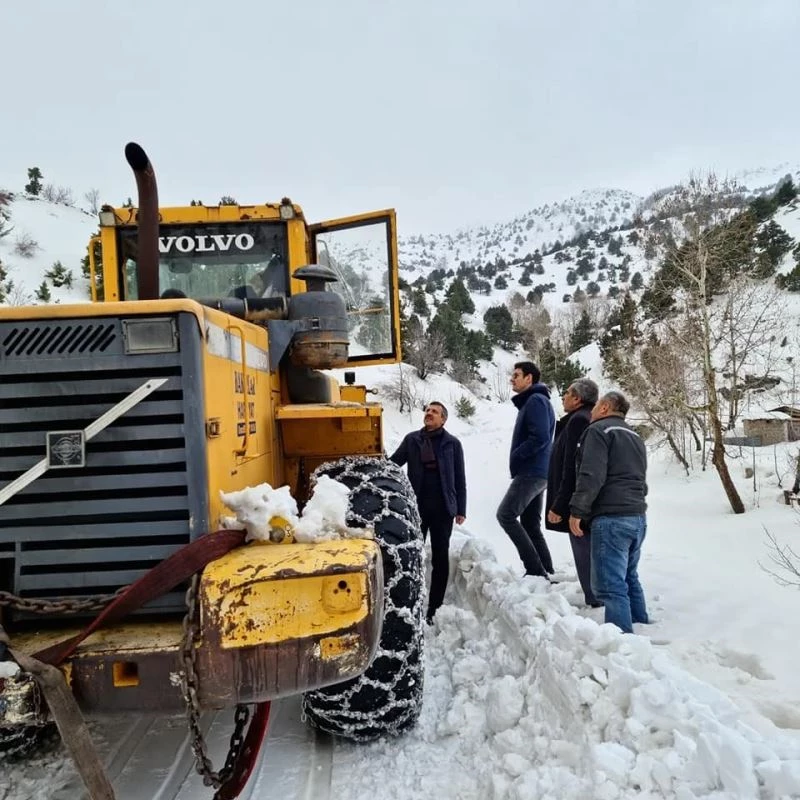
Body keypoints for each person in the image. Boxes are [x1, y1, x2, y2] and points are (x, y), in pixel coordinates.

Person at [568, 391, 649, 634]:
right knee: (628, 577)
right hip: (637, 516)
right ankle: (642, 629)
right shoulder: (635, 436)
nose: (591, 412)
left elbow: (591, 474)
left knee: (610, 585)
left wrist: (577, 510)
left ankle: (621, 644)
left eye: (595, 407)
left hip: (611, 517)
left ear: (604, 407)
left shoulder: (598, 431)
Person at [390, 401, 467, 624]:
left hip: (443, 509)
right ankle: (410, 602)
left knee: (441, 558)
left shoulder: (452, 444)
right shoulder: (413, 439)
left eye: (435, 412)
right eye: (427, 411)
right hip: (417, 507)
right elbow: (395, 464)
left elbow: (459, 478)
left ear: (443, 419)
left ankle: (435, 607)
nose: (429, 414)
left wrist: (461, 508)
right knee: (413, 555)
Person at [545, 378, 602, 607]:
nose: (564, 397)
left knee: (584, 549)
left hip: (577, 502)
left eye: (567, 393)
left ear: (577, 399)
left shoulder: (579, 421)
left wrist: (560, 504)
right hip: (581, 498)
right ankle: (596, 595)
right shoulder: (580, 419)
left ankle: (595, 599)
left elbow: (572, 466)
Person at [496, 361, 555, 578]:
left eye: (516, 375)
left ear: (529, 378)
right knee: (530, 523)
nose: (512, 379)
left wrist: (518, 454)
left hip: (532, 471)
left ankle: (535, 570)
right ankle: (546, 570)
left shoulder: (536, 401)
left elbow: (540, 437)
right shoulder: (536, 401)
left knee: (506, 515)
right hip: (539, 471)